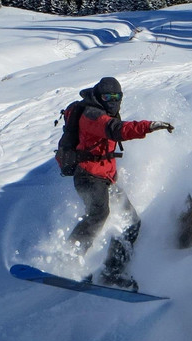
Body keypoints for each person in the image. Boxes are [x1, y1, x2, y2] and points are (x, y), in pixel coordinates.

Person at [64, 76, 173, 290]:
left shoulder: (106, 112)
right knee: (99, 214)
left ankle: (112, 271)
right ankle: (68, 259)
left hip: (106, 179)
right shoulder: (92, 114)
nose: (112, 101)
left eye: (116, 97)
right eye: (108, 97)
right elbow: (116, 129)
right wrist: (149, 126)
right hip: (88, 177)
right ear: (99, 97)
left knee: (133, 223)